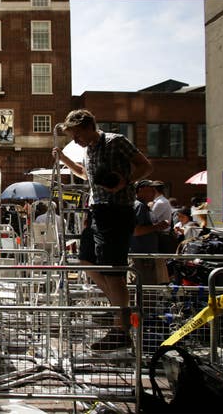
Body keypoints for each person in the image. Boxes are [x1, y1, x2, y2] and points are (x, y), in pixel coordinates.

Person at [53, 109, 152, 351]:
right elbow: (85, 175)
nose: (75, 141)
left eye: (76, 135)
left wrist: (124, 181)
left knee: (113, 271)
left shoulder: (115, 141)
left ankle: (121, 329)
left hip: (117, 210)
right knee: (85, 259)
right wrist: (64, 161)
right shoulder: (88, 150)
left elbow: (146, 166)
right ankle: (120, 307)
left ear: (88, 127)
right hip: (96, 211)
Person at [131, 180, 170, 285]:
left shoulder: (144, 206)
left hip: (146, 256)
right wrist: (158, 226)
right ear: (140, 191)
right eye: (151, 190)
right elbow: (136, 231)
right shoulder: (139, 206)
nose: (154, 193)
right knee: (146, 288)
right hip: (142, 257)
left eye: (154, 190)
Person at [149, 180, 176, 253]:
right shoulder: (161, 201)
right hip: (161, 235)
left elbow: (151, 218)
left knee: (160, 261)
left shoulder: (160, 202)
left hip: (161, 236)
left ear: (154, 190)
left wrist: (149, 207)